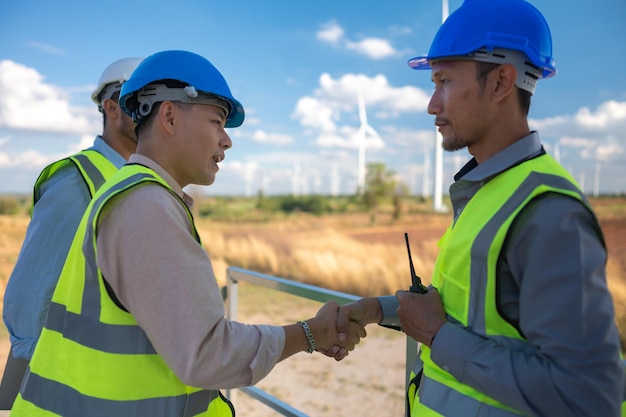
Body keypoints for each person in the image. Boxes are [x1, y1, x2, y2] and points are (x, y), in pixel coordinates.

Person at [10, 50, 365, 416]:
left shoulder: (133, 192)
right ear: (169, 116)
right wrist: (309, 333)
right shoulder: (145, 205)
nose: (226, 140)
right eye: (217, 121)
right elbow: (207, 354)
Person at [336, 0, 624, 416]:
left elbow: (588, 395)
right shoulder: (488, 191)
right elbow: (467, 318)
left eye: (444, 82)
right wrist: (378, 309)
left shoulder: (548, 213)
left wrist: (436, 335)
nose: (432, 105)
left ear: (501, 82)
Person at [0, 57, 143, 409]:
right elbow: (30, 296)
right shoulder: (77, 180)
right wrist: (47, 386)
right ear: (111, 107)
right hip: (72, 390)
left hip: (120, 384)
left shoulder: (139, 181)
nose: (156, 114)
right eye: (141, 104)